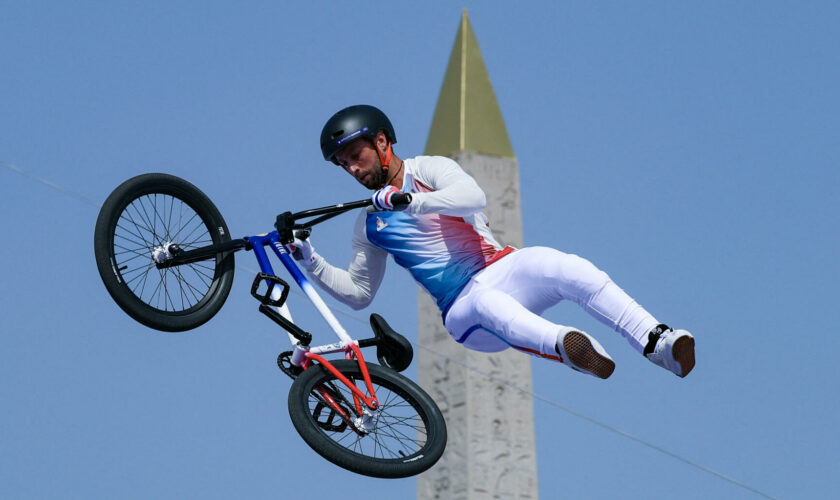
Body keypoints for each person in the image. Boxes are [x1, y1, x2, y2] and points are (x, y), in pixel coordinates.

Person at [291, 104, 695, 379]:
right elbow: (360, 293)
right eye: (342, 164)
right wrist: (310, 260)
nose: (351, 168)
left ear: (382, 142)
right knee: (488, 302)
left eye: (354, 154)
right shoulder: (369, 225)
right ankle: (568, 345)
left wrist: (409, 201)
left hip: (502, 267)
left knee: (563, 264)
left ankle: (656, 341)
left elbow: (473, 198)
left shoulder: (428, 169)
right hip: (464, 311)